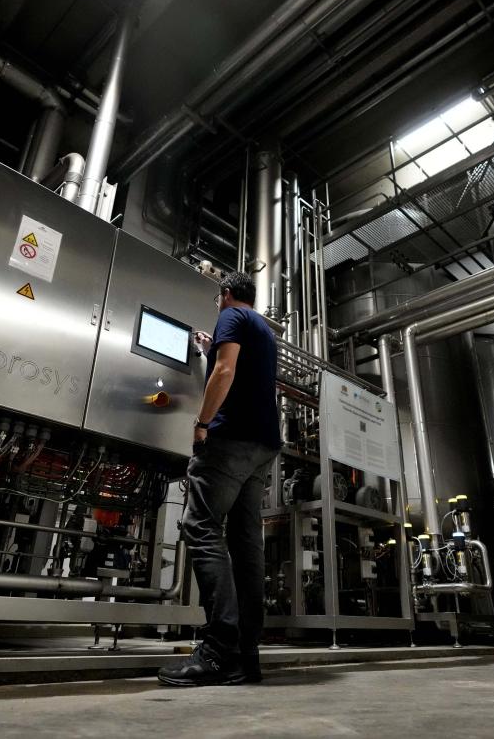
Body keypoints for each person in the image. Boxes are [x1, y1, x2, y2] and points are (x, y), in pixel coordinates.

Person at [158, 271, 281, 687]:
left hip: (231, 441)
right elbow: (237, 367)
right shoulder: (263, 328)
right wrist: (211, 351)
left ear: (226, 294)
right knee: (246, 543)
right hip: (264, 446)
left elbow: (225, 373)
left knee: (200, 526)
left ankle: (218, 650)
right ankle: (247, 654)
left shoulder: (230, 317)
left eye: (218, 299)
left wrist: (201, 423)